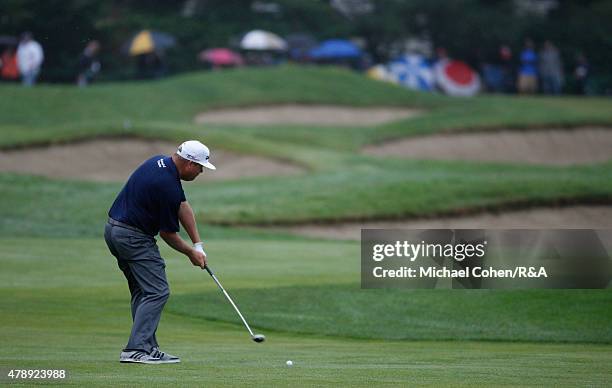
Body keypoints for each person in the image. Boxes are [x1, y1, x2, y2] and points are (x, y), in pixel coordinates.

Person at [104, 140, 216, 364]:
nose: (201, 171)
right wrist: (190, 254)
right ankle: (135, 349)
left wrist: (198, 244)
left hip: (114, 231)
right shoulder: (166, 186)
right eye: (200, 167)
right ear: (188, 163)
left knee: (143, 291)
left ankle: (147, 347)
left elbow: (182, 205)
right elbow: (168, 235)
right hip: (133, 237)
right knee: (157, 291)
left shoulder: (159, 162)